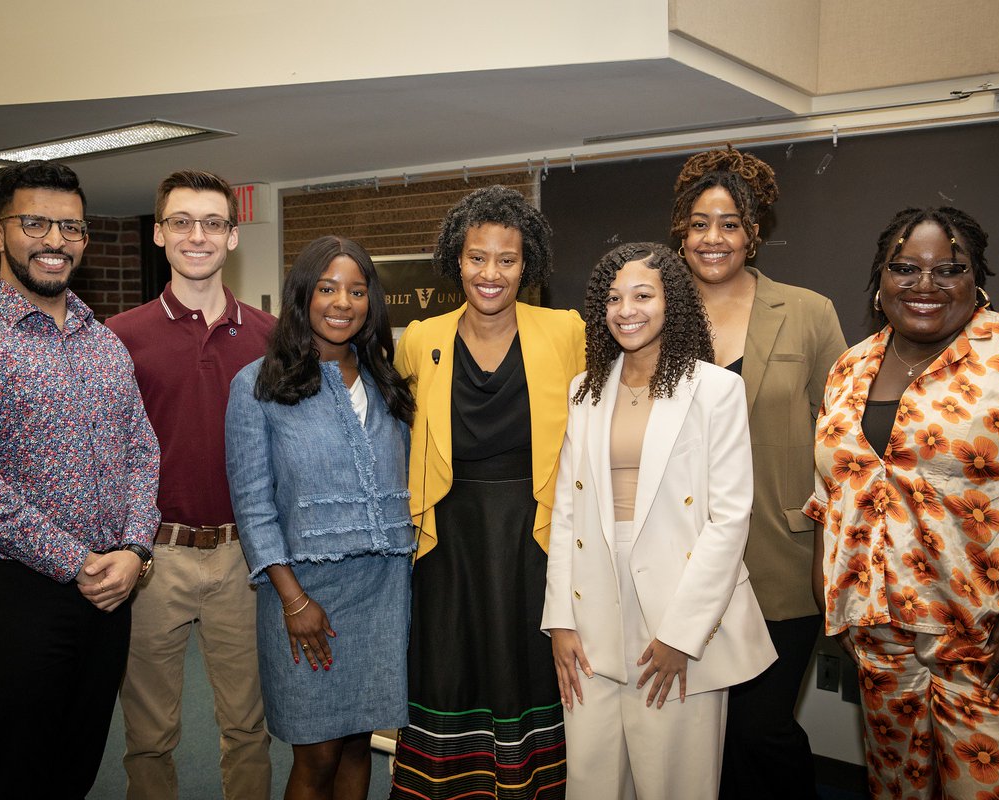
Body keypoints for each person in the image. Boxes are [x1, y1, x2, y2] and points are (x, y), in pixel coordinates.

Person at [804, 206, 999, 799]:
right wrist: (825, 585)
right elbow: (835, 489)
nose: (925, 285)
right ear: (879, 280)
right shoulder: (850, 368)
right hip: (882, 642)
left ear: (977, 278)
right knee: (898, 789)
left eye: (949, 269)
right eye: (905, 268)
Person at [0, 160, 160, 799]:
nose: (55, 240)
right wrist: (77, 562)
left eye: (71, 228)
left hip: (105, 594)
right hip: (5, 598)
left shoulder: (103, 343)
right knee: (11, 779)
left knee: (74, 771)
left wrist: (133, 549)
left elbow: (141, 450)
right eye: (35, 223)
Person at [542, 242, 776, 800]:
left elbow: (728, 520)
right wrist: (560, 620)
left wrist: (681, 635)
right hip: (592, 602)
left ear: (673, 301)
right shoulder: (585, 390)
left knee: (675, 781)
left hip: (679, 607)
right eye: (614, 298)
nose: (627, 309)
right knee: (593, 779)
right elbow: (566, 510)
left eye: (643, 295)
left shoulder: (716, 389)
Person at [388, 185, 585, 800]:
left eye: (507, 259)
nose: (491, 273)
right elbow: (399, 441)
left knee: (527, 669)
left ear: (529, 266)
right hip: (448, 540)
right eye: (477, 257)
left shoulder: (566, 332)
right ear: (456, 260)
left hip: (535, 532)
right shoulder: (421, 339)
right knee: (448, 668)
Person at [670, 146, 846, 799]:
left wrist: (838, 544)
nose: (713, 238)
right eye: (699, 224)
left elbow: (845, 440)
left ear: (754, 232)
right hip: (680, 561)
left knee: (761, 728)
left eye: (730, 223)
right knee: (703, 736)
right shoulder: (651, 313)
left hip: (780, 559)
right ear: (681, 233)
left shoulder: (807, 312)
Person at [226, 235, 415, 800]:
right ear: (303, 295)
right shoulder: (257, 386)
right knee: (316, 755)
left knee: (360, 744)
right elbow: (254, 507)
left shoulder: (388, 382)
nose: (342, 303)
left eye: (357, 291)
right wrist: (294, 601)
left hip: (384, 593)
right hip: (306, 596)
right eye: (328, 288)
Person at [106, 170, 273, 799]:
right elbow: (106, 454)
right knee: (148, 735)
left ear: (233, 237)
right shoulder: (119, 338)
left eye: (211, 223)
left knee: (248, 728)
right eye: (181, 222)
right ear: (159, 234)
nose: (195, 235)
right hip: (152, 557)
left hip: (243, 557)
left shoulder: (269, 337)